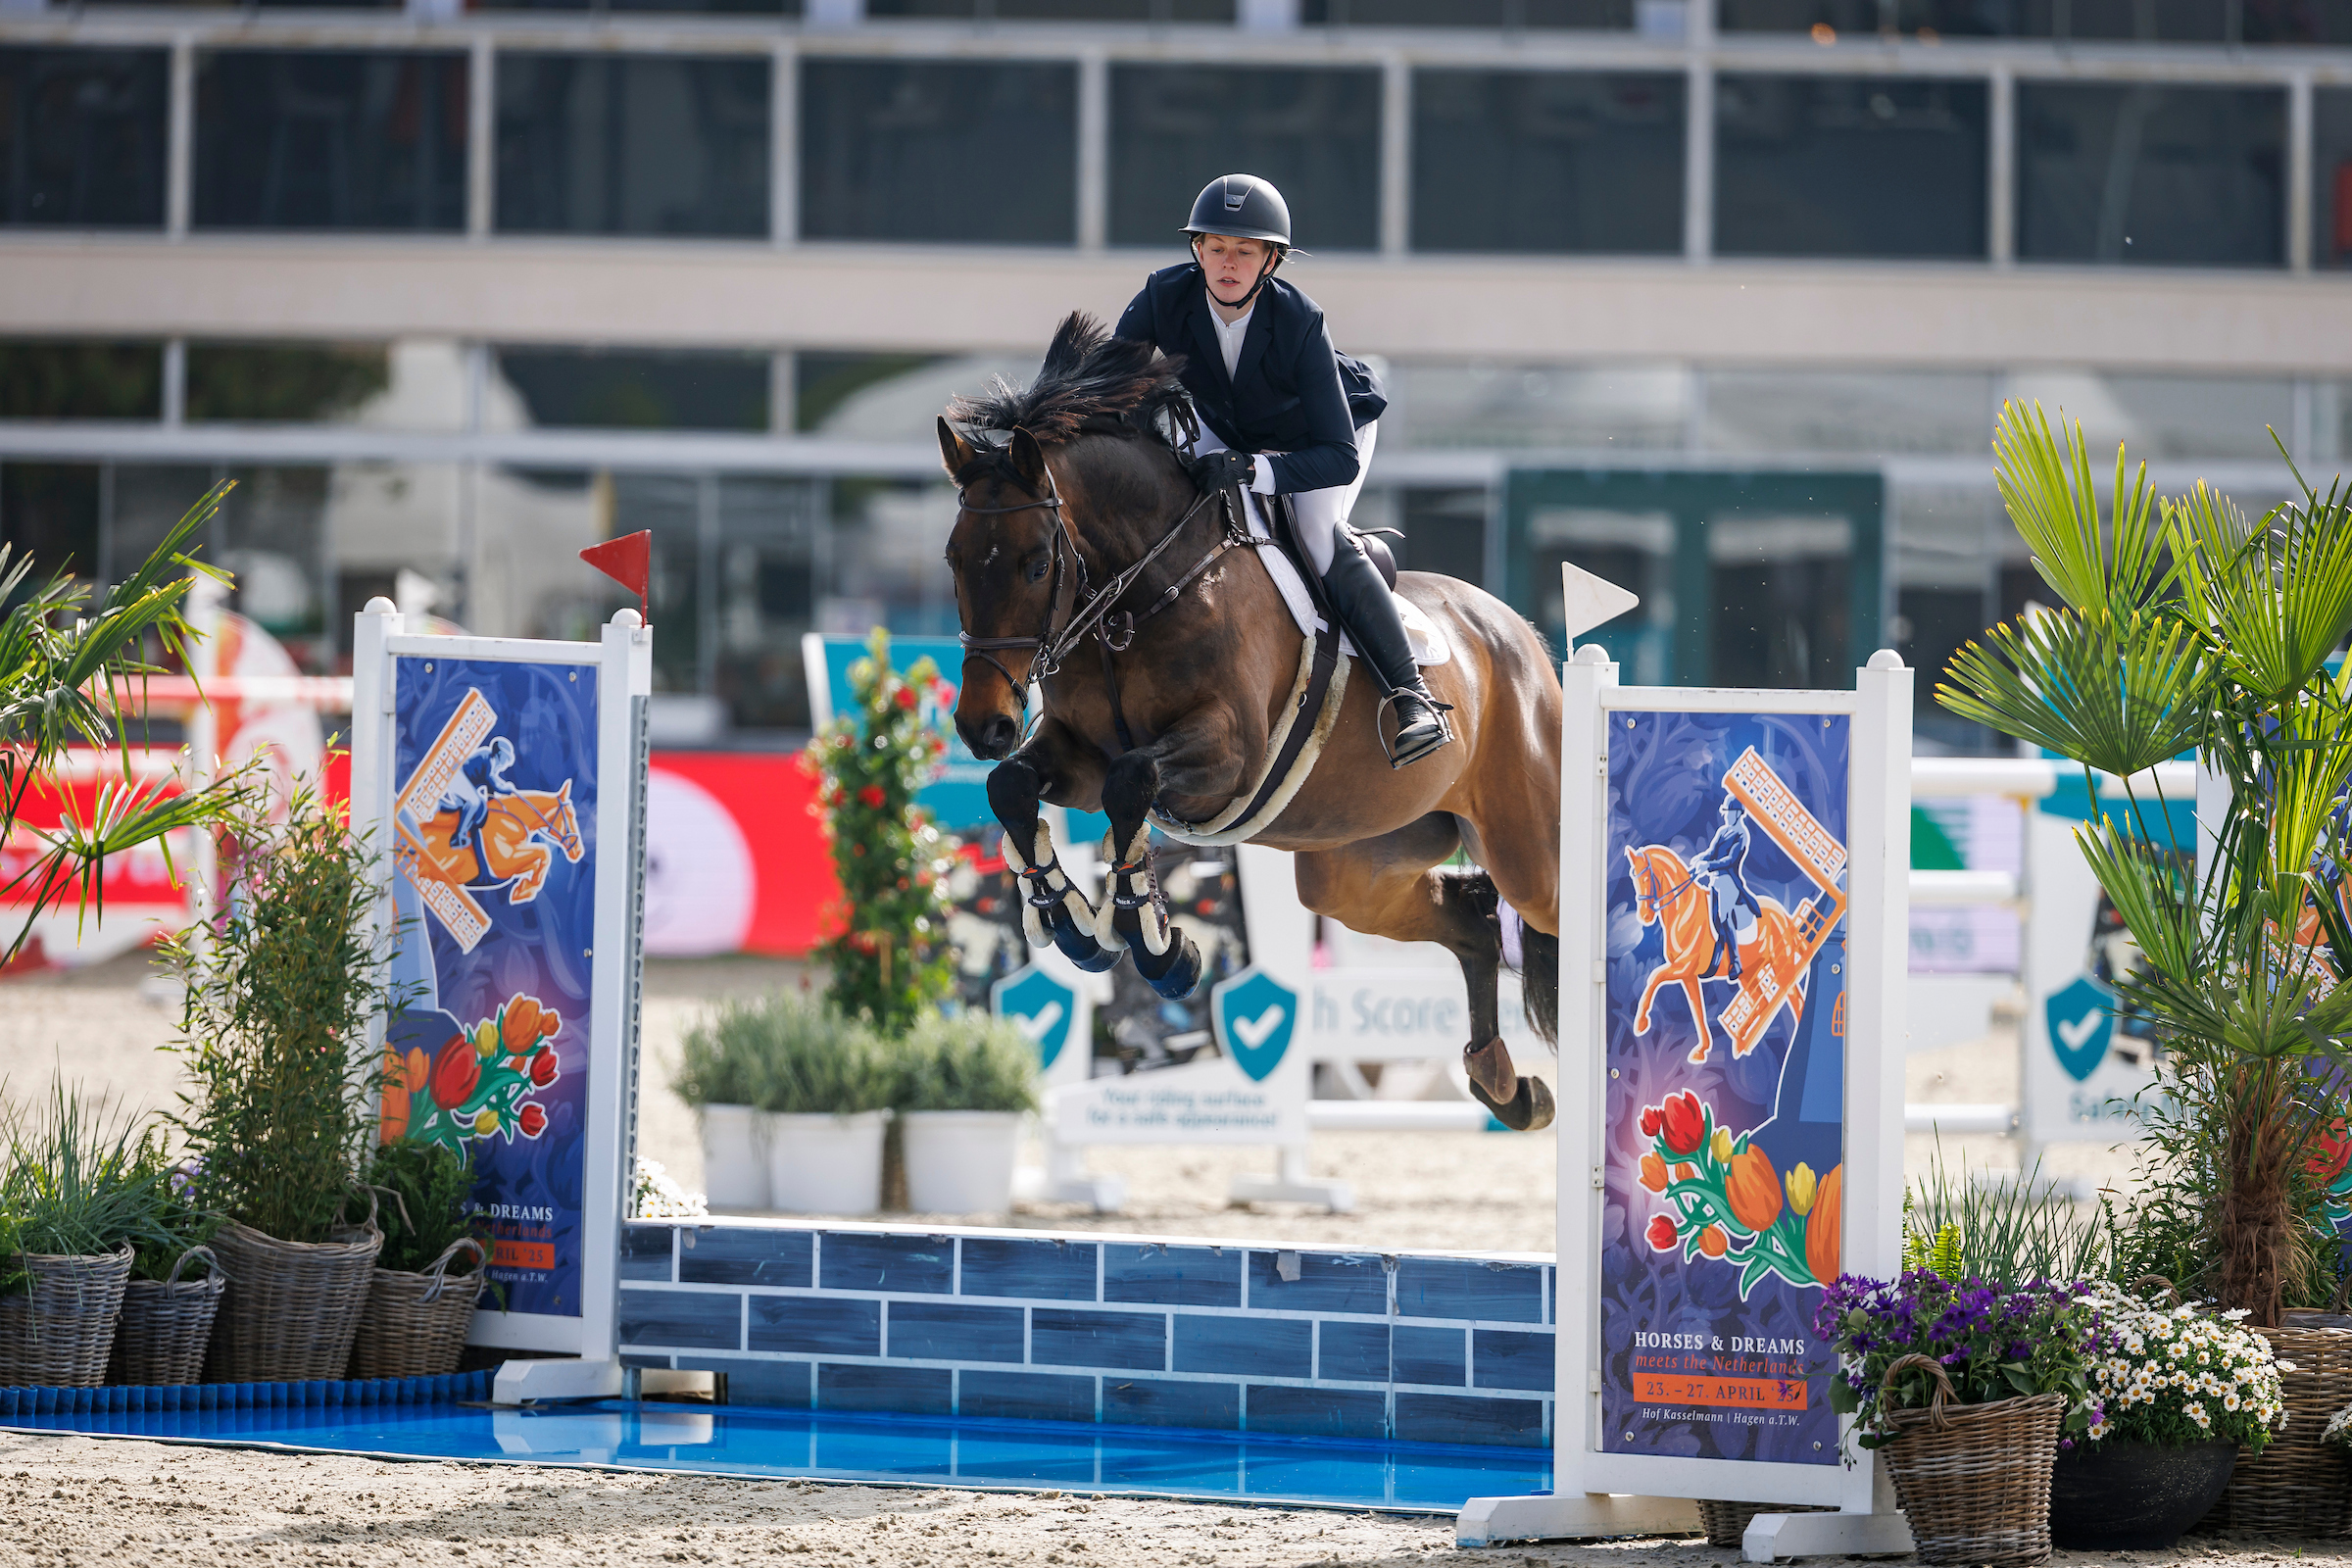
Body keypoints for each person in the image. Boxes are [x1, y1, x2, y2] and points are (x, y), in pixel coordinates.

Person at [1113, 173, 1450, 768]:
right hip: (1231, 425)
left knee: (1318, 535)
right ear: (1197, 250)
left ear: (1271, 260)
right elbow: (1106, 380)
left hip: (1323, 435)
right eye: (1215, 247)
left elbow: (1337, 456)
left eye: (1245, 251)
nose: (1228, 263)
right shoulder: (1164, 295)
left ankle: (1411, 698)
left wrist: (1251, 470)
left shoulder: (1298, 318)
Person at [1691, 795, 1758, 983]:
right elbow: (1712, 852)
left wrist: (1709, 866)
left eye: (1729, 813)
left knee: (1724, 917)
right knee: (1714, 922)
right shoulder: (1722, 832)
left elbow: (1730, 860)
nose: (1726, 816)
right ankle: (1716, 962)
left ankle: (1735, 962)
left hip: (1729, 881)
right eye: (1725, 812)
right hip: (1715, 882)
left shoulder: (1742, 834)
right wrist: (1700, 859)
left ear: (1738, 814)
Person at [440, 734, 517, 880]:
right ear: (500, 754)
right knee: (475, 802)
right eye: (506, 761)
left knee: (477, 804)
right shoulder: (488, 759)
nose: (504, 765)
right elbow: (493, 782)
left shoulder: (491, 763)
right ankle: (458, 836)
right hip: (457, 777)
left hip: (464, 781)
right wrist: (508, 788)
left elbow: (490, 790)